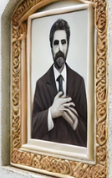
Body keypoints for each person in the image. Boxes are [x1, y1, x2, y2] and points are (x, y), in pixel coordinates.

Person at [32, 18, 88, 147]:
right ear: (51, 46)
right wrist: (52, 112)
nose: (60, 48)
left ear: (68, 44)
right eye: (56, 43)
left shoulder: (78, 81)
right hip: (49, 155)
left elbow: (88, 133)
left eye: (63, 42)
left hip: (74, 156)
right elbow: (32, 128)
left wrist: (74, 122)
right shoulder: (41, 83)